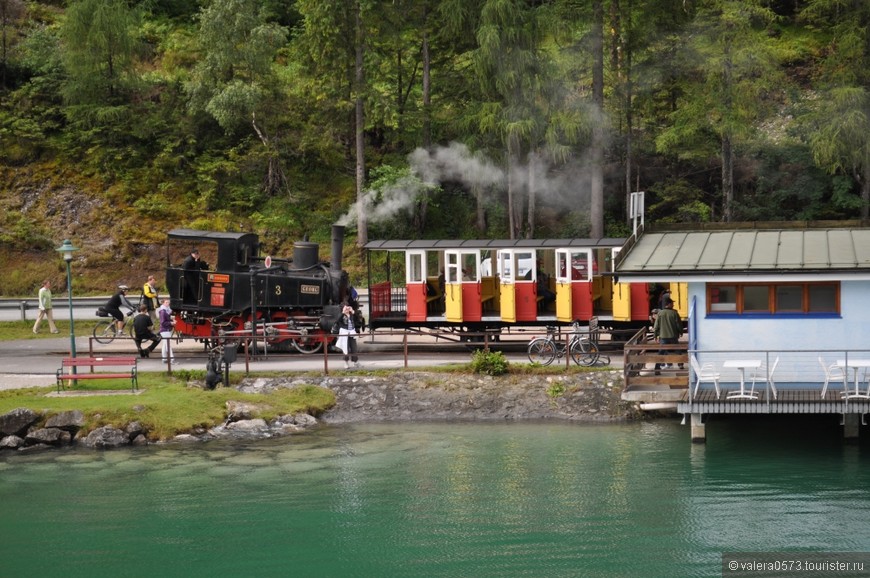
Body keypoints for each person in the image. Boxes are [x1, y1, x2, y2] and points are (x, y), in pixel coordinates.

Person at [653, 297, 683, 373]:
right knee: (678, 351)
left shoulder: (660, 313)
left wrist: (655, 335)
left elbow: (656, 326)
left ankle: (657, 369)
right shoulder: (674, 313)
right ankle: (680, 365)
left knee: (661, 353)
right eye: (672, 303)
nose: (673, 304)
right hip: (673, 336)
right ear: (668, 304)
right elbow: (678, 325)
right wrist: (680, 332)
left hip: (663, 337)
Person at [335, 304, 361, 369]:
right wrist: (343, 313)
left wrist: (353, 312)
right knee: (345, 348)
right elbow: (337, 321)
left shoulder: (352, 315)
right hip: (344, 333)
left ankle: (356, 362)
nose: (347, 310)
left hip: (352, 333)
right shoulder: (341, 315)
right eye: (345, 308)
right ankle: (346, 363)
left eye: (347, 308)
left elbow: (358, 321)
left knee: (354, 348)